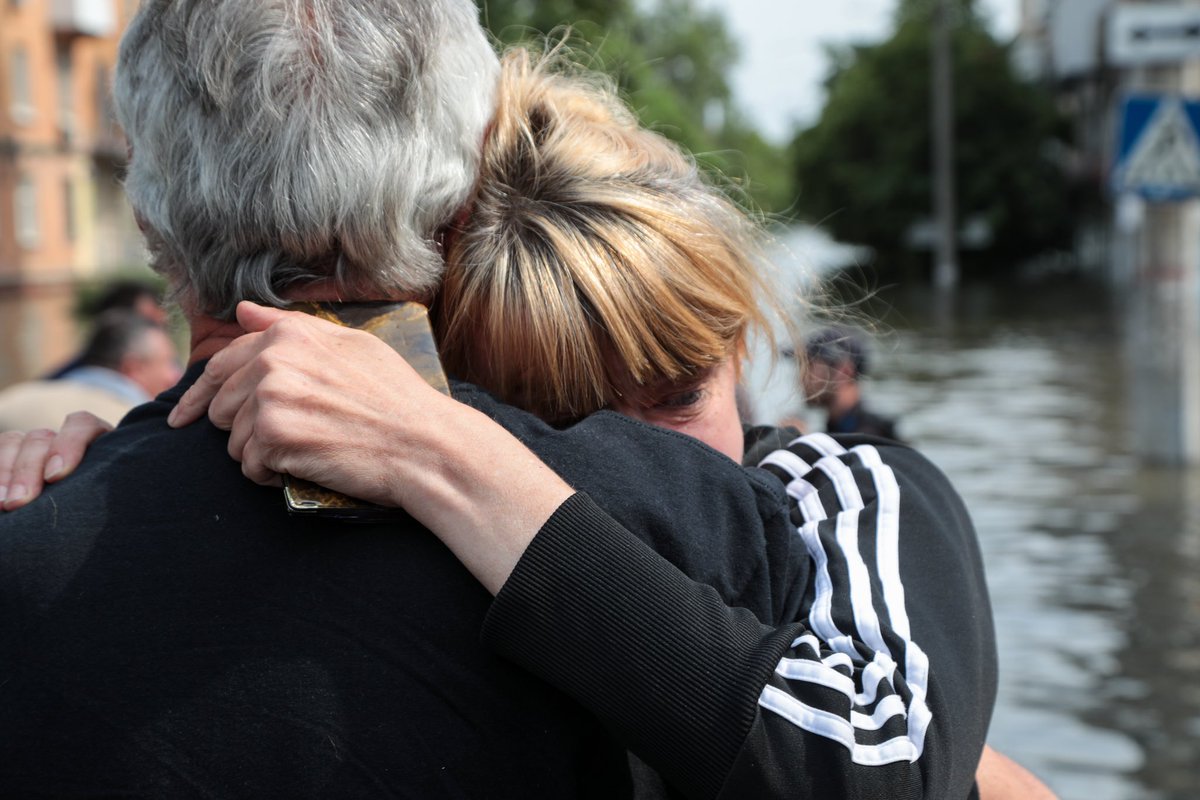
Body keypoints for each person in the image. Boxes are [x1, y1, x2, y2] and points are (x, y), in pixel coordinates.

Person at [0, 21, 1045, 796]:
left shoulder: (828, 501)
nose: (633, 453)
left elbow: (906, 765)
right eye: (561, 420)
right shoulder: (727, 533)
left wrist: (442, 448)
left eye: (679, 391)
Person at [0, 310, 181, 433]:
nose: (176, 375)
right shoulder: (136, 424)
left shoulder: (13, 398)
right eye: (168, 363)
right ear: (134, 367)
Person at [797, 326, 901, 440]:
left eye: (809, 366)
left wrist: (801, 444)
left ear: (844, 371)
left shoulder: (872, 437)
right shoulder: (837, 427)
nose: (801, 377)